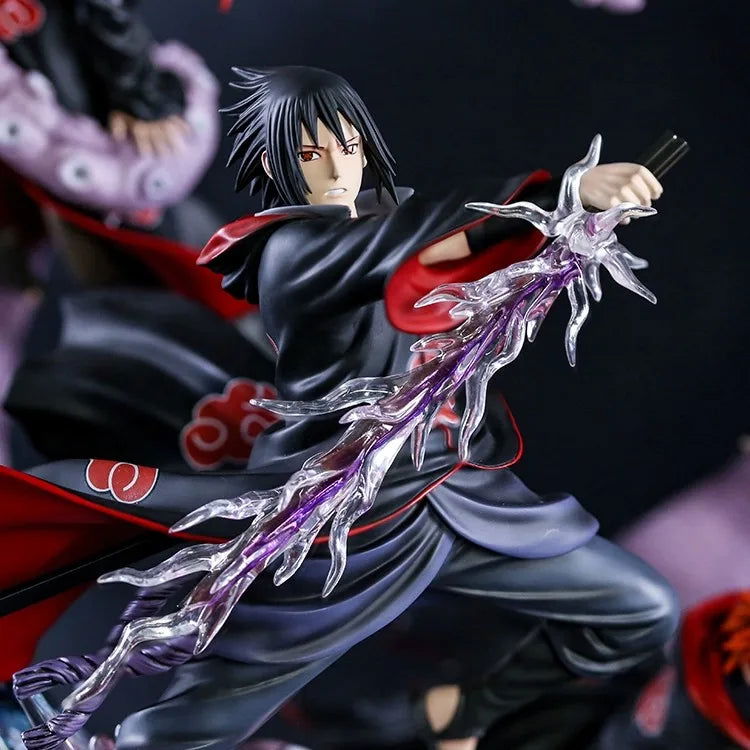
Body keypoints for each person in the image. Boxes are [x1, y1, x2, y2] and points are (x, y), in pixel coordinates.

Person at [11, 65, 676, 750]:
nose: (336, 167)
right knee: (187, 734)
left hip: (454, 496)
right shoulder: (292, 250)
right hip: (336, 525)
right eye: (310, 152)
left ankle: (460, 714)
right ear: (275, 164)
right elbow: (409, 248)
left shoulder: (395, 224)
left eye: (348, 145)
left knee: (640, 609)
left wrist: (571, 229)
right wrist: (562, 193)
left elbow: (454, 259)